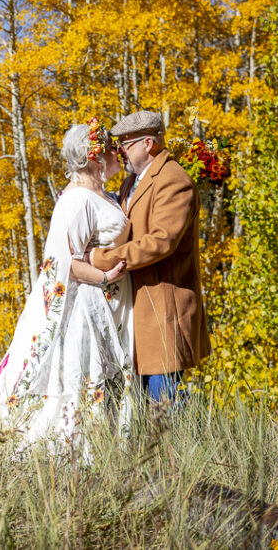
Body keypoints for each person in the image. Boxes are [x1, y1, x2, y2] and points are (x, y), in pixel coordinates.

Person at [0, 117, 134, 462]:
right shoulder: (77, 200)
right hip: (82, 306)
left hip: (105, 306)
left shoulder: (106, 195)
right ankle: (72, 456)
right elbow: (65, 261)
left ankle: (103, 451)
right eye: (112, 148)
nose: (118, 154)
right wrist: (106, 276)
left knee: (97, 380)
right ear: (94, 156)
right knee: (81, 378)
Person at [88, 110, 211, 404]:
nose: (120, 153)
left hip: (163, 314)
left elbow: (160, 242)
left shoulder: (173, 180)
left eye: (126, 145)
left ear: (148, 144)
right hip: (137, 313)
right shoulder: (131, 183)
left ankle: (182, 453)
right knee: (140, 415)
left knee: (164, 413)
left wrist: (102, 259)